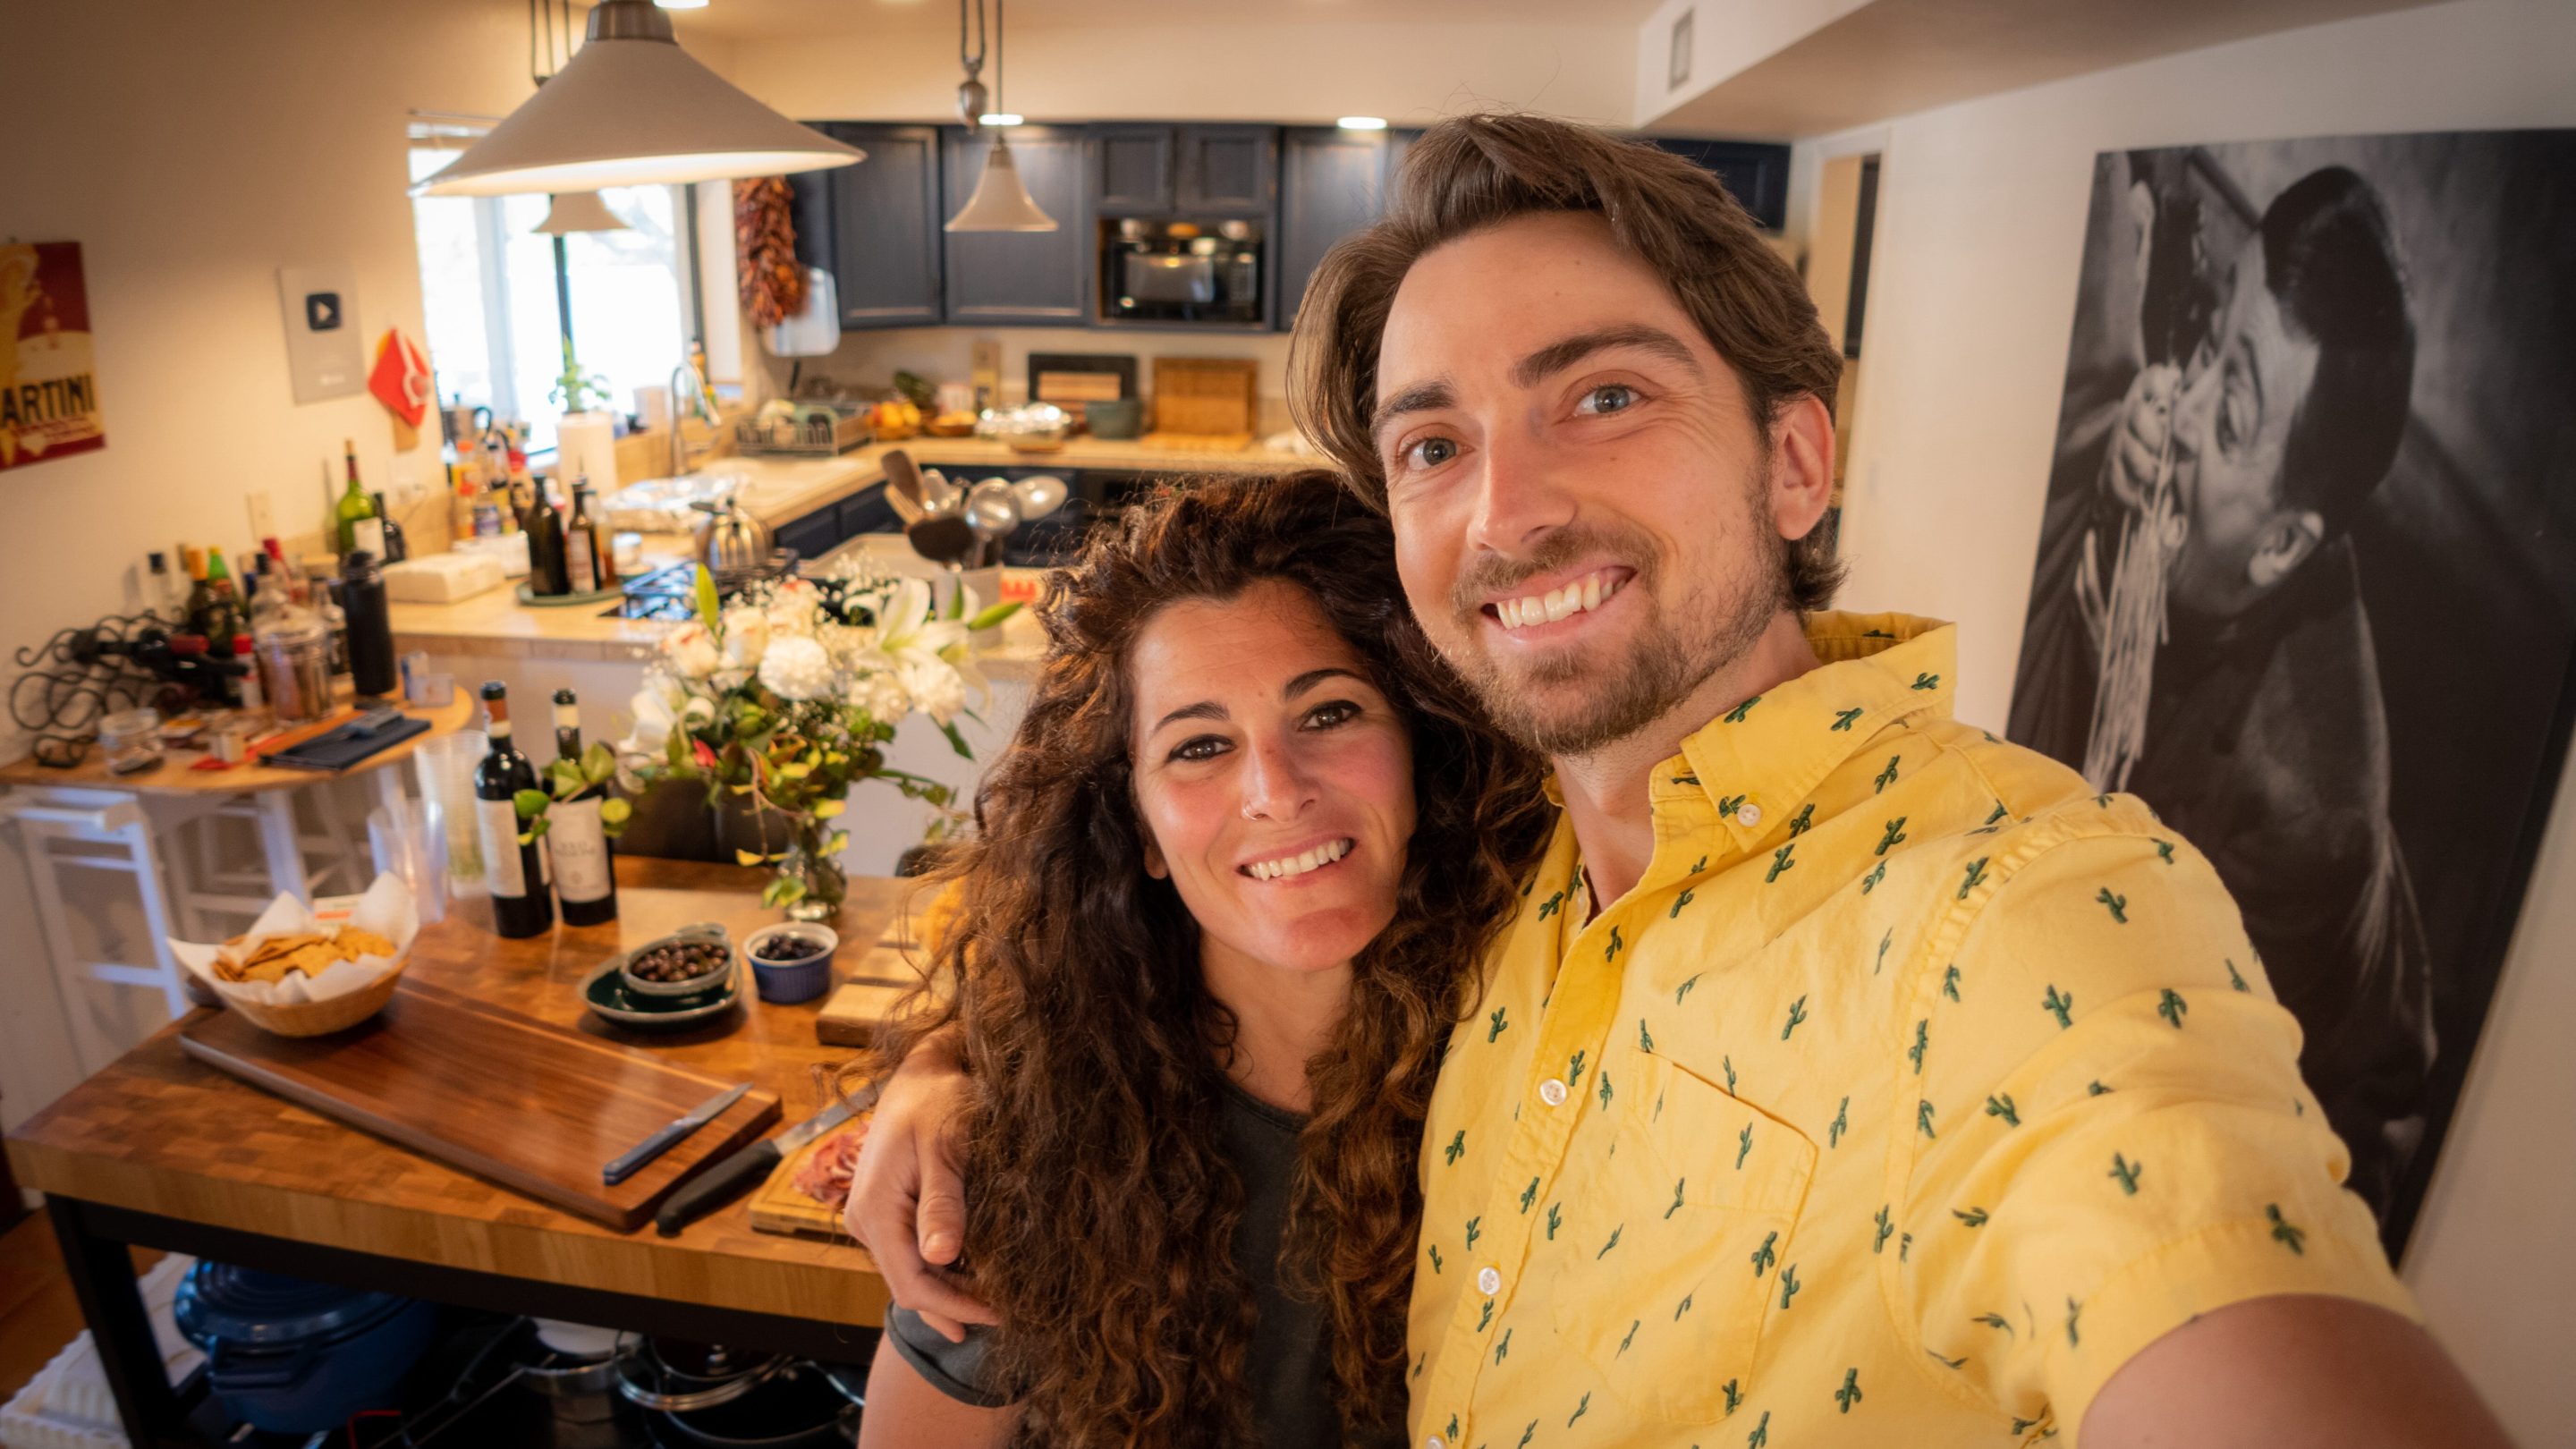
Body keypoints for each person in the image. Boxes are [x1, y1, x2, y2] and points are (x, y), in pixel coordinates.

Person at [853, 114, 2511, 1447]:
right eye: (1434, 444)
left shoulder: (2020, 913)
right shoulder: (1509, 868)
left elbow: (2179, 1233)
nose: (1509, 509)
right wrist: (955, 1074)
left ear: (1795, 458)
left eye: (1605, 394)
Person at [852, 470, 1555, 1449]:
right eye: (1198, 747)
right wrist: (942, 1068)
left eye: (1328, 714)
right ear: (1136, 826)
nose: (1274, 791)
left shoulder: (1549, 1057)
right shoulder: (1034, 1122)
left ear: (1418, 748)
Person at [2009, 163, 2435, 1217]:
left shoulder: (2302, 801)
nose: (2181, 409)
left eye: (2231, 413)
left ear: (2283, 544)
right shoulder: (2157, 464)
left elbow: (2161, 1093)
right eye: (2205, 345)